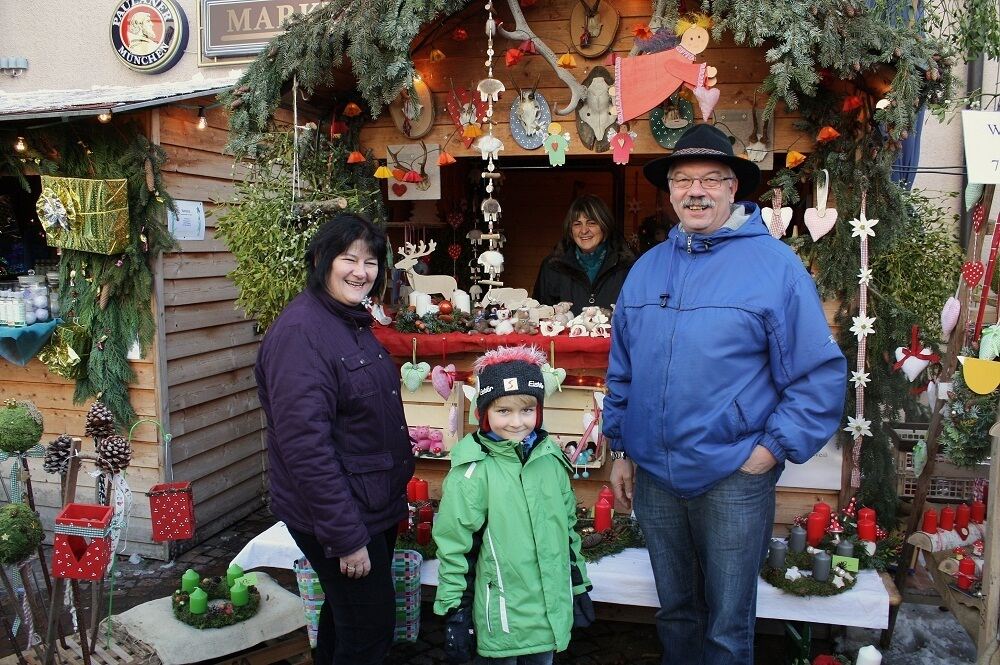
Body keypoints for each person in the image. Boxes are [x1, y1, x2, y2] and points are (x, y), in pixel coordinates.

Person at [602, 124, 847, 665]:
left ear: (735, 189)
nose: (697, 191)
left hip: (733, 477)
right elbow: (623, 369)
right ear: (669, 192)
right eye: (683, 179)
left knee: (727, 627)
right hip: (658, 479)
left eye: (712, 179)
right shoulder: (645, 271)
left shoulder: (775, 268)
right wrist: (620, 447)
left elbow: (818, 374)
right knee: (675, 614)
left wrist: (770, 450)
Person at [255, 212, 414, 665]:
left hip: (369, 500)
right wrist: (346, 537)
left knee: (347, 617)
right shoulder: (302, 334)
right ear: (323, 260)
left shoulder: (347, 320)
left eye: (370, 262)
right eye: (348, 259)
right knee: (369, 630)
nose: (360, 272)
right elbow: (306, 448)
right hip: (341, 514)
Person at [433, 345, 594, 665]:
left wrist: (577, 584)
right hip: (501, 617)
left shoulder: (551, 462)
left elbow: (567, 532)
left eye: (526, 410)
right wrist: (455, 610)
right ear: (484, 413)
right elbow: (455, 548)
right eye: (503, 411)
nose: (516, 422)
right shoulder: (473, 471)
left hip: (546, 615)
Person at [533, 194, 634, 313]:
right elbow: (539, 316)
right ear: (570, 231)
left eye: (591, 223)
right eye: (577, 224)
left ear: (604, 226)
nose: (584, 230)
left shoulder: (626, 265)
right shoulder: (552, 266)